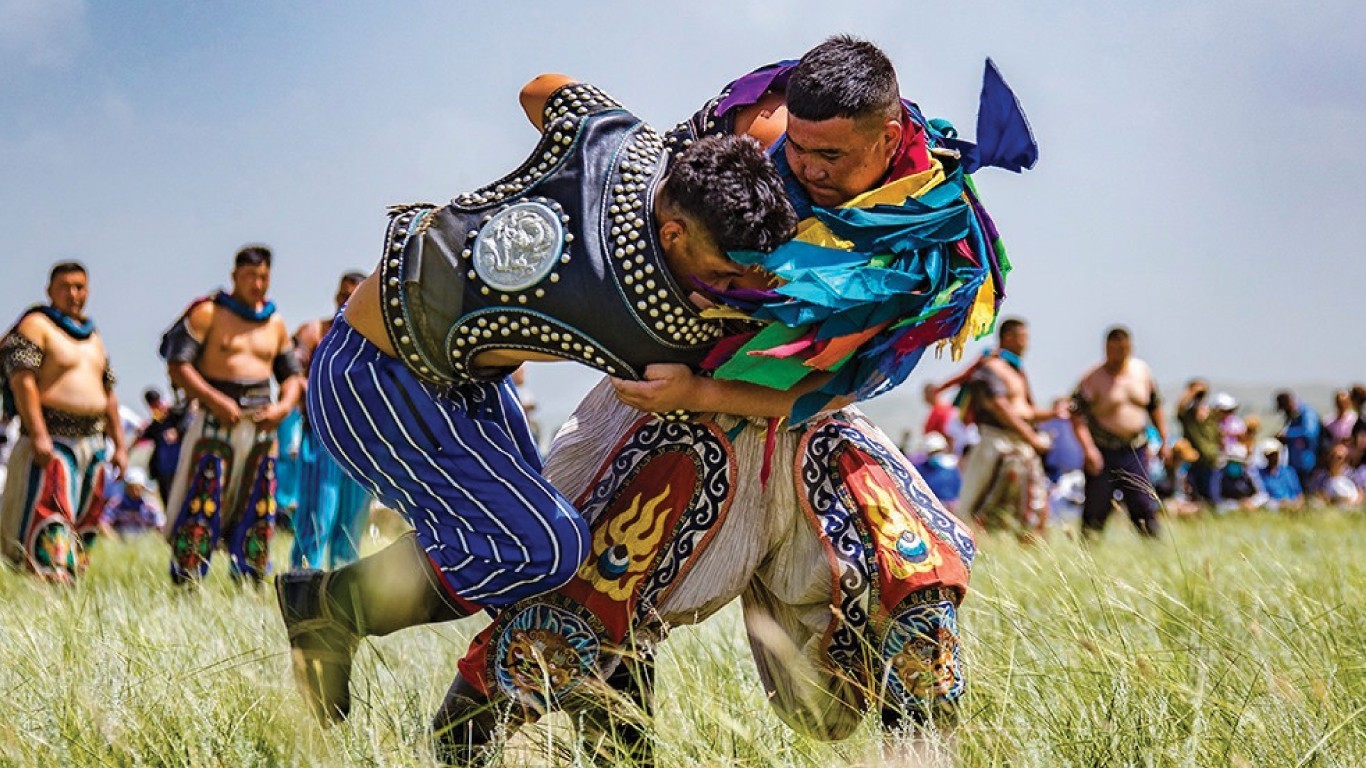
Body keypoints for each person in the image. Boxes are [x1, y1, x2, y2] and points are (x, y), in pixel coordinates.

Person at [439, 37, 1026, 758]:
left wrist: (708, 386)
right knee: (588, 592)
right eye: (803, 150)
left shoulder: (935, 237)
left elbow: (826, 386)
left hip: (808, 422)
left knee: (915, 571)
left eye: (832, 157)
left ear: (892, 135)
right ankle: (461, 745)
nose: (807, 169)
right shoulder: (753, 133)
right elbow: (614, 166)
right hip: (671, 406)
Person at [274, 77, 800, 723]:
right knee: (541, 549)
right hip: (373, 384)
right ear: (671, 234)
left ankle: (611, 735)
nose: (732, 293)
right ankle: (326, 608)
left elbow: (539, 90)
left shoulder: (619, 142)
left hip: (455, 380)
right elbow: (781, 388)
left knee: (572, 583)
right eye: (723, 275)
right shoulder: (655, 319)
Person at [160, 245, 304, 583]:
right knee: (201, 501)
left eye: (263, 276)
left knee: (259, 507)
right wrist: (213, 399)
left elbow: (293, 377)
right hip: (214, 424)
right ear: (234, 276)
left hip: (261, 428)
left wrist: (282, 408)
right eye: (250, 276)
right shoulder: (208, 312)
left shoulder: (276, 323)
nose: (257, 283)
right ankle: (187, 580)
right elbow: (178, 364)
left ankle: (250, 580)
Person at [0, 261, 128, 581]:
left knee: (85, 519)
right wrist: (39, 434)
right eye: (65, 286)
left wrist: (121, 446)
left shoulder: (93, 335)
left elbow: (108, 393)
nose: (74, 294)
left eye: (80, 287)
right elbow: (22, 381)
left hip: (94, 441)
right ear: (49, 290)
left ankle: (70, 583)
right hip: (53, 439)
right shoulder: (36, 324)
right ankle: (49, 588)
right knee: (51, 514)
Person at [287, 271, 375, 571]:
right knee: (316, 518)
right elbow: (291, 375)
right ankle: (302, 586)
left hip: (362, 444)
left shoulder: (376, 338)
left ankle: (341, 595)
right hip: (322, 438)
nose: (346, 301)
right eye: (342, 295)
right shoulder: (315, 331)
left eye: (354, 295)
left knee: (350, 529)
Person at [951, 319, 1052, 532]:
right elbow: (1000, 407)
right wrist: (1031, 437)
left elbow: (1025, 410)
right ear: (1007, 337)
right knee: (975, 504)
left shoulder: (1016, 371)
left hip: (1021, 446)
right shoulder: (990, 369)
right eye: (1022, 338)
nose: (1026, 344)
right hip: (995, 443)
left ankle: (1027, 554)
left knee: (1031, 508)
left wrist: (1056, 413)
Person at [1070, 326, 1169, 537]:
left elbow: (1155, 406)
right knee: (1096, 506)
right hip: (1103, 450)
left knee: (1142, 501)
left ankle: (1154, 549)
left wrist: (1164, 441)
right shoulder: (1092, 378)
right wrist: (1089, 450)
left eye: (1122, 350)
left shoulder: (1141, 372)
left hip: (1135, 449)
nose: (1117, 356)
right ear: (1106, 349)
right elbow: (1076, 415)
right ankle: (1088, 555)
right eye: (1113, 350)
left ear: (1129, 348)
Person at [138, 387, 188, 506]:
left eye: (157, 403)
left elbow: (189, 421)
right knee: (168, 502)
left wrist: (178, 431)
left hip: (181, 466)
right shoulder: (156, 422)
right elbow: (146, 435)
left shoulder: (176, 413)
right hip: (162, 470)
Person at [1177, 379, 1222, 504]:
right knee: (1195, 498)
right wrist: (1191, 392)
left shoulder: (1212, 415)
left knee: (1212, 498)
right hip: (1194, 462)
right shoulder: (1187, 416)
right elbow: (1180, 408)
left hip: (1211, 461)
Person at [1274, 390, 1321, 493]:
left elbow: (1310, 433)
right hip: (1294, 462)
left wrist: (1288, 435)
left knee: (1308, 489)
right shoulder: (1293, 417)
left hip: (1307, 461)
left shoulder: (1307, 413)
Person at [99, 466, 165, 536]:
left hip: (144, 542)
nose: (135, 492)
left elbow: (161, 526)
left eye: (137, 489)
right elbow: (103, 523)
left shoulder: (151, 506)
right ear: (126, 487)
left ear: (143, 488)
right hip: (119, 540)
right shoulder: (115, 503)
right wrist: (113, 539)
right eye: (131, 488)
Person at [913, 432, 962, 511]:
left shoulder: (951, 473)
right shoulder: (918, 468)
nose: (935, 455)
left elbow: (952, 500)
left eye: (938, 452)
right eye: (932, 453)